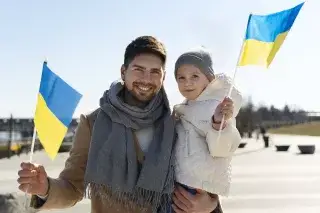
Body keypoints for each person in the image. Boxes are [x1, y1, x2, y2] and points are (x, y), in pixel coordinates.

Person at [17, 36, 221, 213]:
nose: (146, 79)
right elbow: (73, 186)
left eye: (154, 72)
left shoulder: (179, 122)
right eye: (138, 69)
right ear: (123, 72)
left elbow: (202, 178)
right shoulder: (93, 123)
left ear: (164, 77)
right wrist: (45, 188)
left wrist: (210, 205)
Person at [171, 48, 242, 212]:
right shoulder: (188, 107)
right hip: (185, 184)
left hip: (197, 188)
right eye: (181, 78)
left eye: (194, 76)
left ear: (209, 78)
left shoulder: (214, 107)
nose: (187, 82)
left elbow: (222, 149)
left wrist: (218, 123)